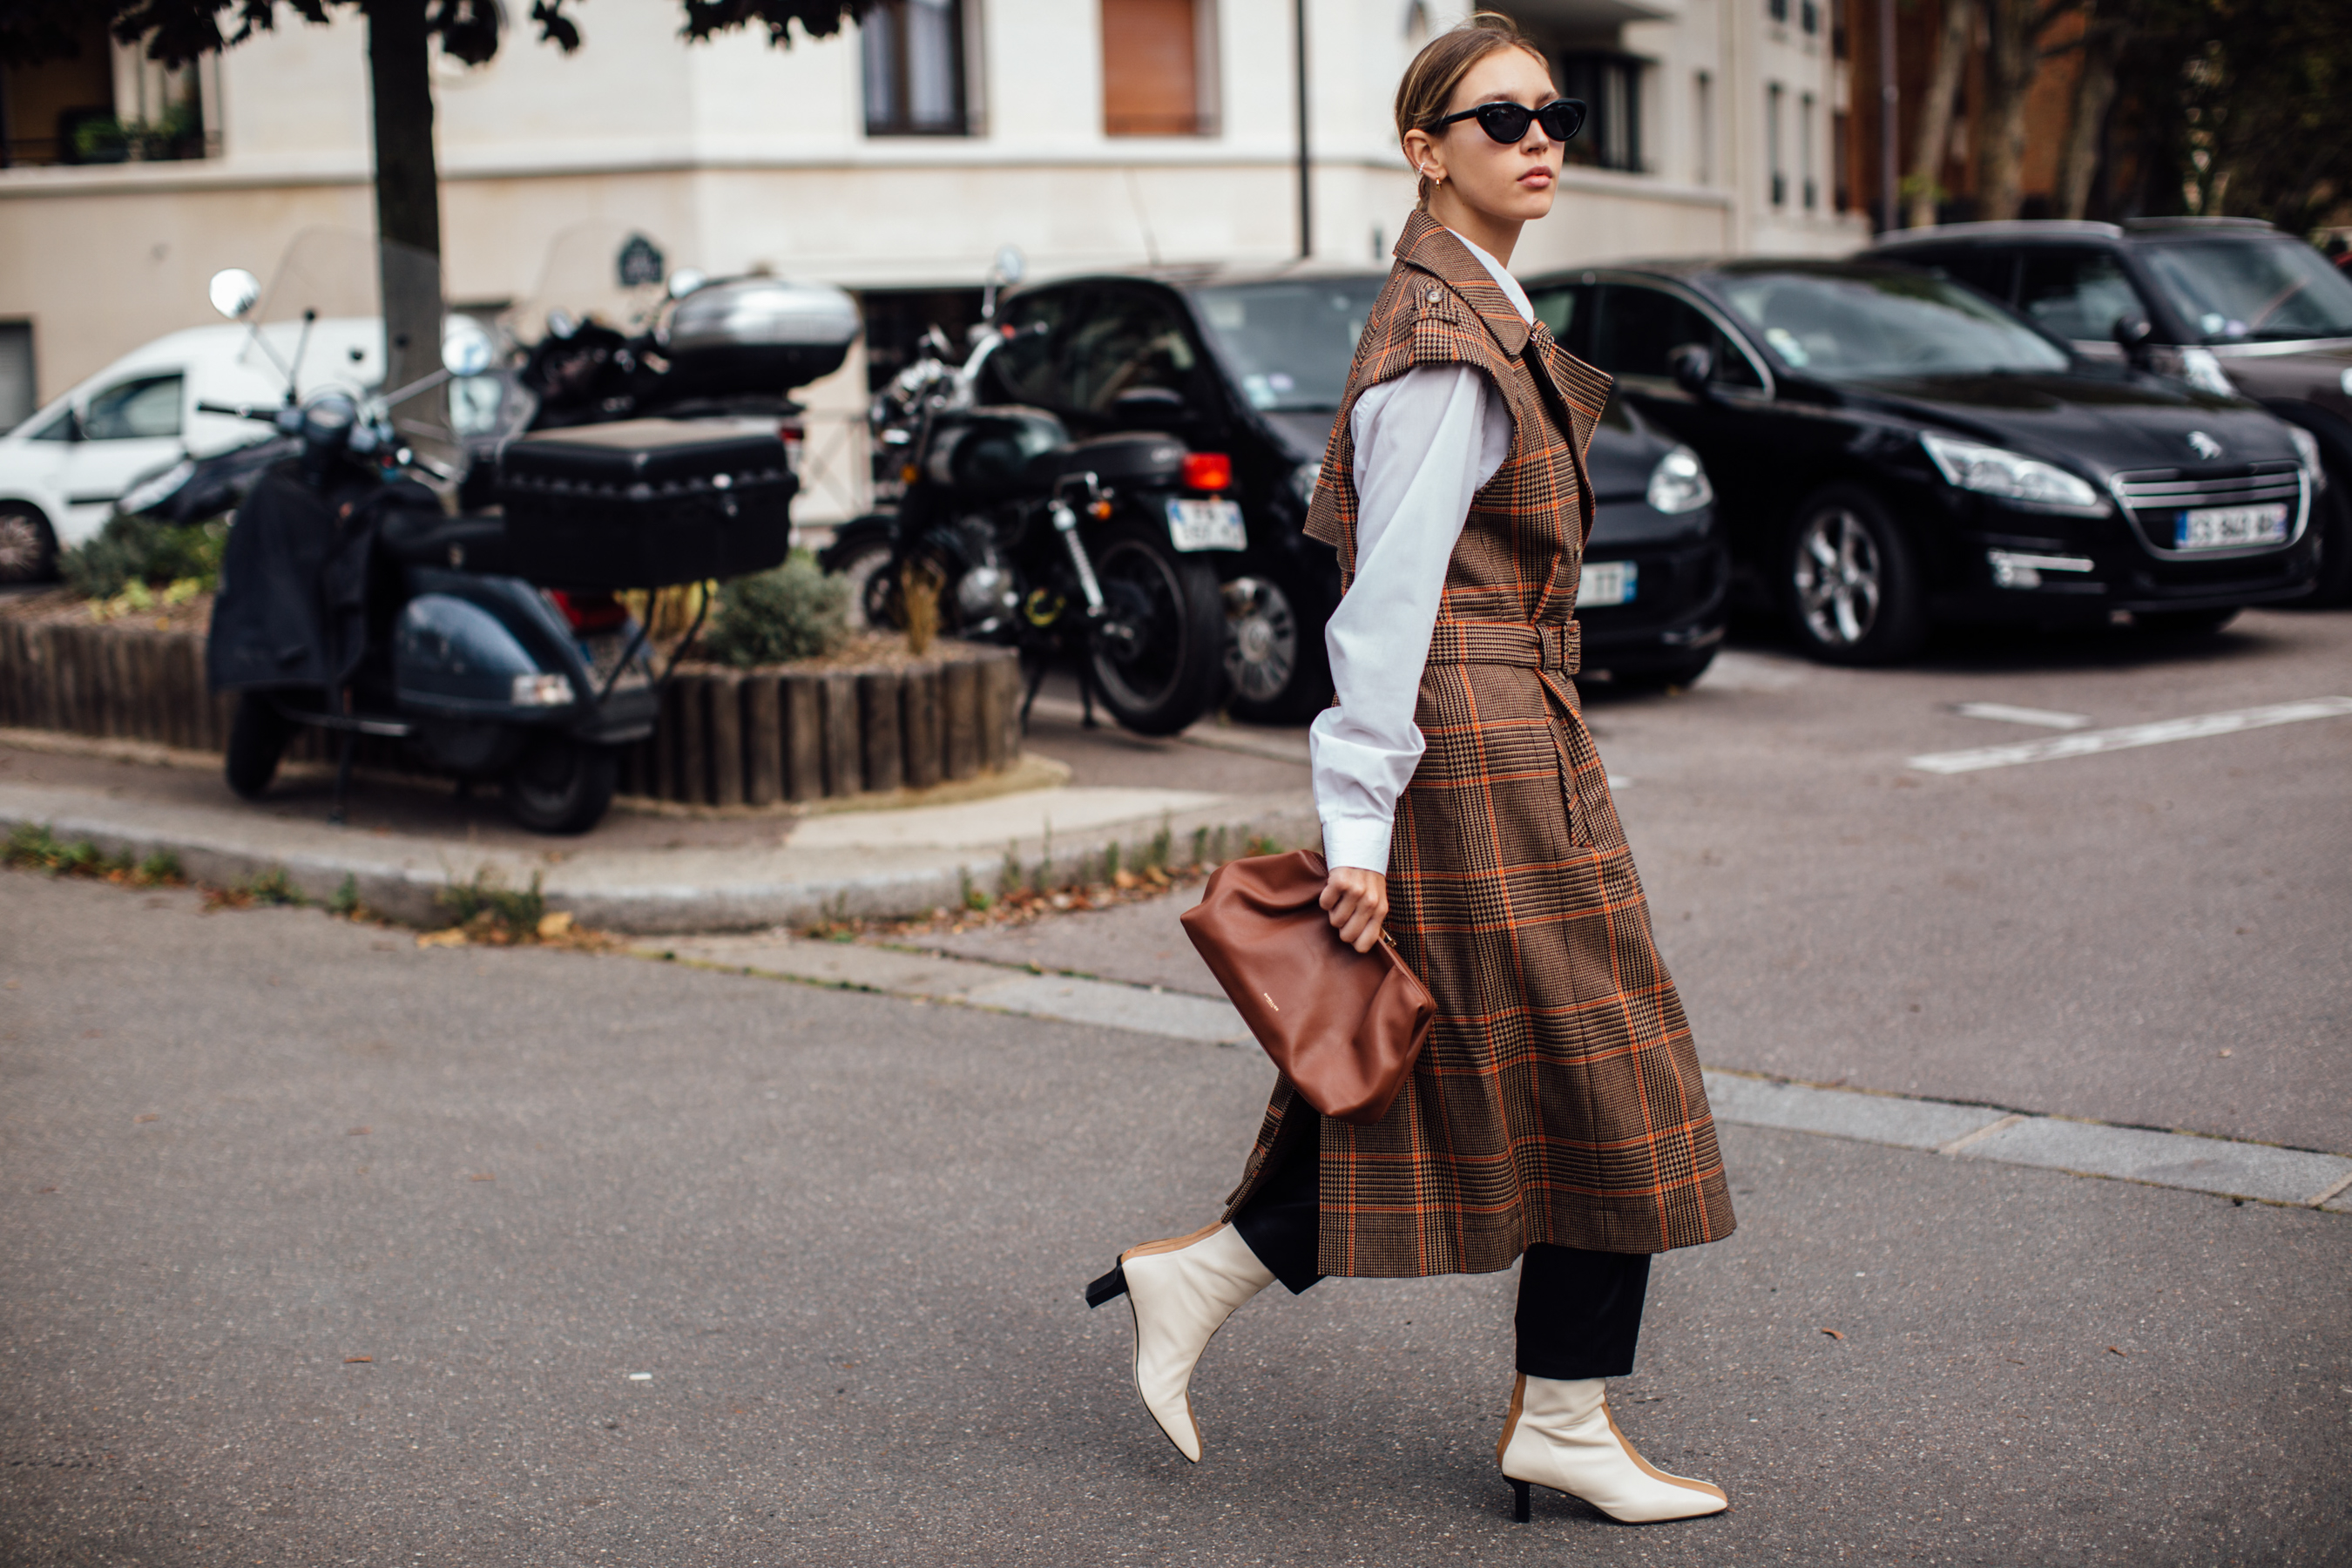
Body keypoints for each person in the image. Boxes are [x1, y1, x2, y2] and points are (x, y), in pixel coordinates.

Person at [1090, 13, 1737, 1526]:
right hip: (1474, 749)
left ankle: (1207, 1280)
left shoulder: (1476, 312)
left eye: (1552, 112)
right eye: (1499, 117)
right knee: (1606, 1064)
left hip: (1505, 735)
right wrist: (1357, 828)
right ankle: (1563, 1415)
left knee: (1471, 1064)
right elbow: (1381, 609)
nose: (1538, 137)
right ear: (1424, 148)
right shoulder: (1444, 348)